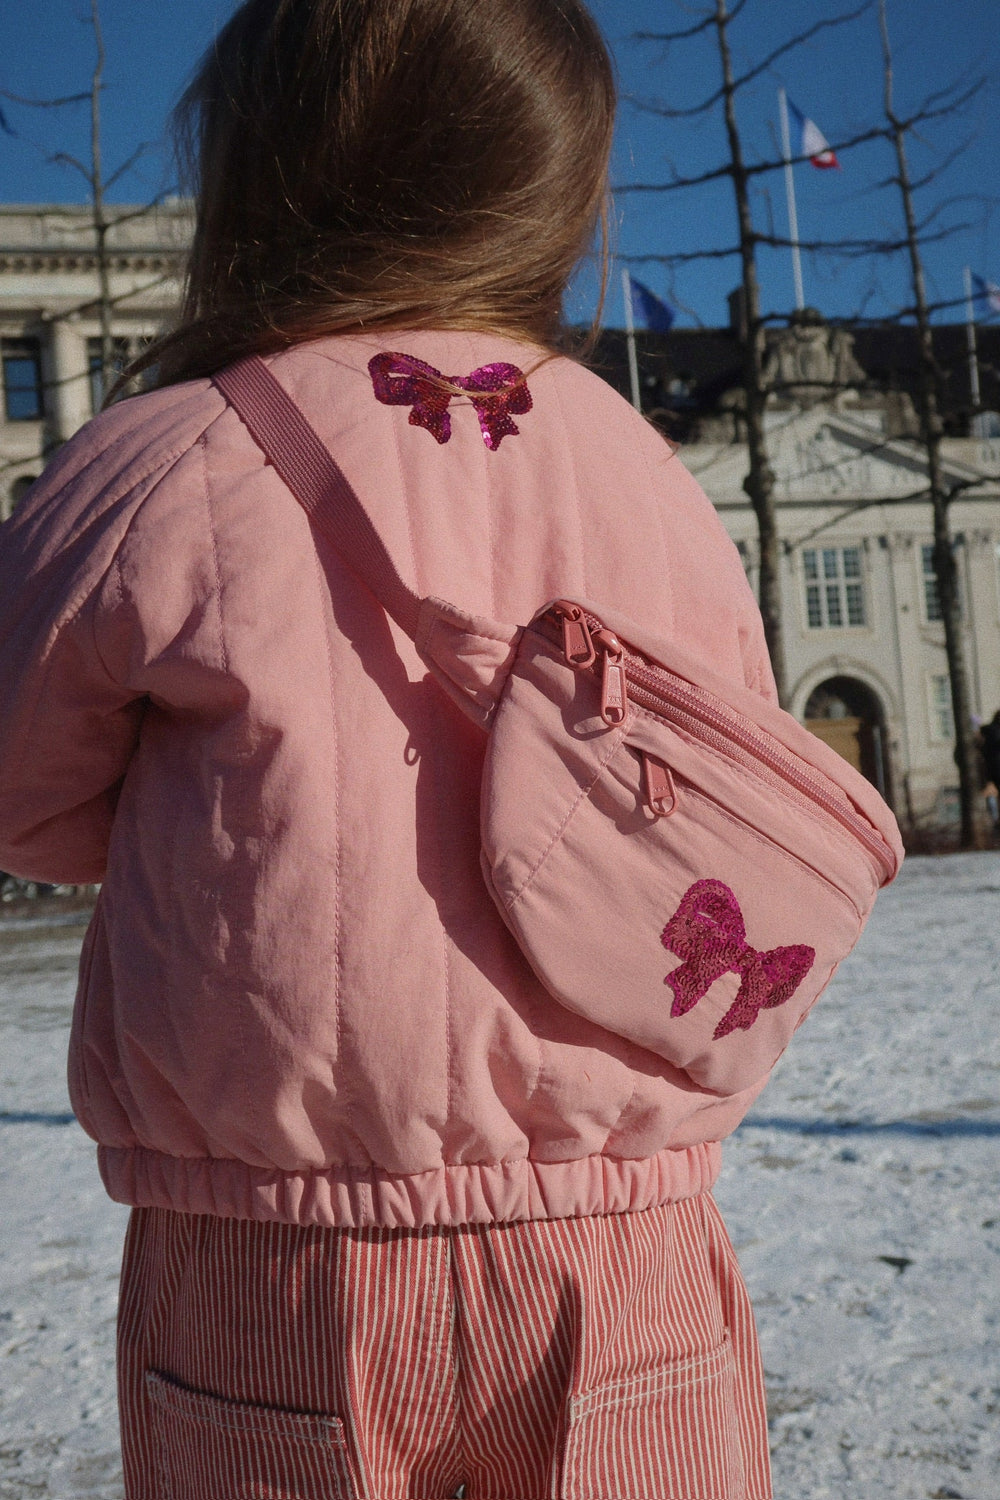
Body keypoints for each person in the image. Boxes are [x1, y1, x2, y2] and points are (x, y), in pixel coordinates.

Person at [0, 3, 780, 1496]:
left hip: (275, 1263)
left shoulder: (159, 463)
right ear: (559, 190)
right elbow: (730, 778)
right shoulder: (646, 468)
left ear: (255, 166)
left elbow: (22, 798)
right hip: (624, 1241)